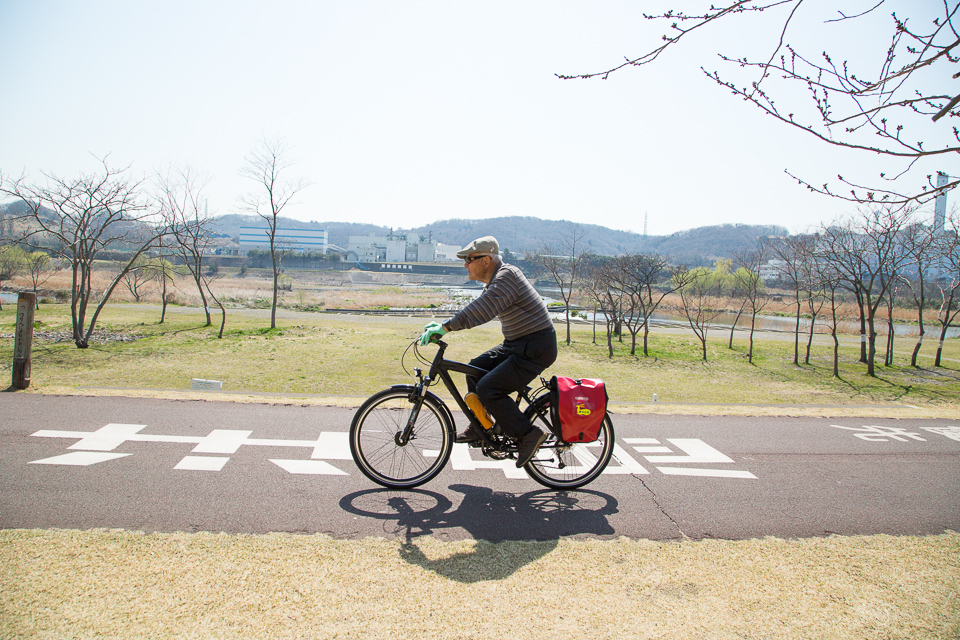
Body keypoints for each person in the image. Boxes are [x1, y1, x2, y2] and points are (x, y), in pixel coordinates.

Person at [419, 236, 557, 468]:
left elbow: (482, 310)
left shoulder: (506, 277)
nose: (465, 265)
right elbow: (479, 308)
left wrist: (445, 327)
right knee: (474, 370)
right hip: (517, 343)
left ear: (486, 260)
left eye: (469, 259)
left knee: (489, 388)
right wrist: (445, 324)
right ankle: (483, 425)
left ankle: (529, 434)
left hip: (535, 346)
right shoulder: (497, 279)